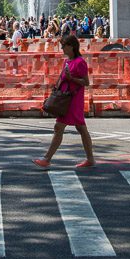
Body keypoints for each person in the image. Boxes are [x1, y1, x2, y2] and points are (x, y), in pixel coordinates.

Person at [33, 34, 94, 170]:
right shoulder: (68, 61)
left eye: (64, 46)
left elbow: (86, 82)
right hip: (65, 98)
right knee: (80, 128)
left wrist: (71, 78)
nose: (62, 48)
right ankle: (90, 159)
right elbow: (63, 78)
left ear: (71, 46)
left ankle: (47, 159)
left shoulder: (80, 62)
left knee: (60, 127)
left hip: (73, 100)